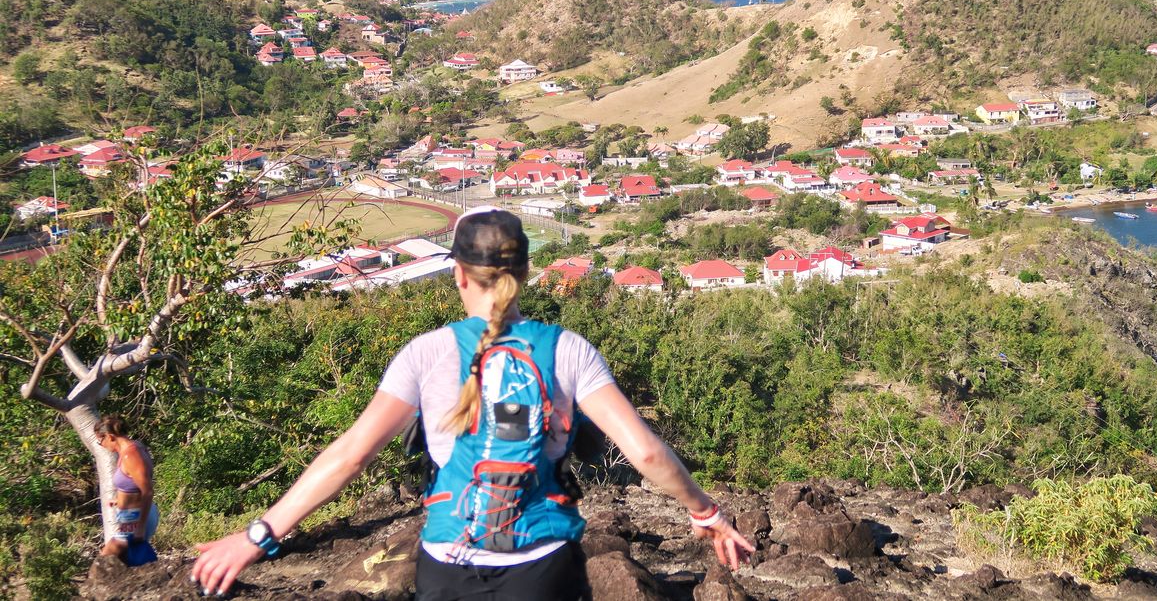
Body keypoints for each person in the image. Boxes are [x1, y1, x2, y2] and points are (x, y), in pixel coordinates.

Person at [192, 207, 754, 599]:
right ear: (527, 274)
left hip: (447, 565)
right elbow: (647, 455)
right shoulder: (567, 351)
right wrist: (706, 513)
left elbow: (349, 457)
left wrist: (256, 537)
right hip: (543, 564)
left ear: (458, 275)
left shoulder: (427, 353)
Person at [95, 415, 159, 567]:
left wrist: (140, 528)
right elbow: (133, 486)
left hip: (136, 519)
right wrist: (120, 500)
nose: (101, 445)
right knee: (125, 564)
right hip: (129, 516)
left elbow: (148, 491)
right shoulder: (131, 449)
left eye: (100, 441)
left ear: (110, 437)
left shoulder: (132, 454)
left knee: (106, 557)